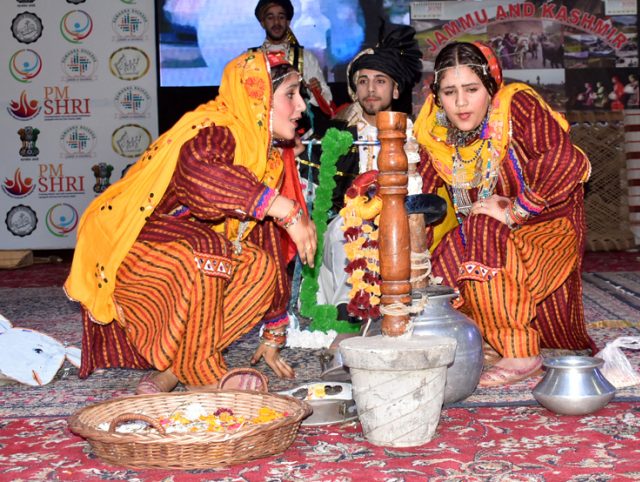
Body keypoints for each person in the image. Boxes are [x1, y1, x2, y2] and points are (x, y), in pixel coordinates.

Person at [64, 50, 316, 393]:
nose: (301, 107)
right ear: (256, 97)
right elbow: (199, 177)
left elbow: (267, 241)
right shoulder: (216, 130)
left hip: (185, 257)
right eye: (290, 95)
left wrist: (274, 330)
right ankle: (202, 373)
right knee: (209, 247)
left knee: (261, 269)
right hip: (129, 248)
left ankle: (173, 371)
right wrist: (285, 208)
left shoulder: (264, 157)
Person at [413, 41, 595, 387]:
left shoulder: (516, 106)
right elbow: (418, 190)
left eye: (471, 89)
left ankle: (520, 352)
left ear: (491, 87)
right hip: (489, 237)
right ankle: (486, 340)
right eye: (450, 92)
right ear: (436, 96)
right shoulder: (434, 132)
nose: (461, 103)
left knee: (481, 226)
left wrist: (516, 209)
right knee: (437, 270)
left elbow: (564, 161)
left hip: (546, 228)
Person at [303, 25, 423, 320]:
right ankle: (351, 312)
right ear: (354, 89)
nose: (371, 89)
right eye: (364, 81)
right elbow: (319, 192)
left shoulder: (416, 133)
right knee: (346, 230)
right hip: (347, 221)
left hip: (405, 219)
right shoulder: (337, 133)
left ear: (395, 89)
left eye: (380, 81)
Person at [251, 0, 334, 118]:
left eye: (281, 17)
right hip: (260, 132)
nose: (276, 22)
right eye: (270, 17)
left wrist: (317, 91)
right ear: (262, 22)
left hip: (301, 133)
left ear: (288, 21)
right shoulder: (250, 60)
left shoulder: (305, 57)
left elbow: (328, 100)